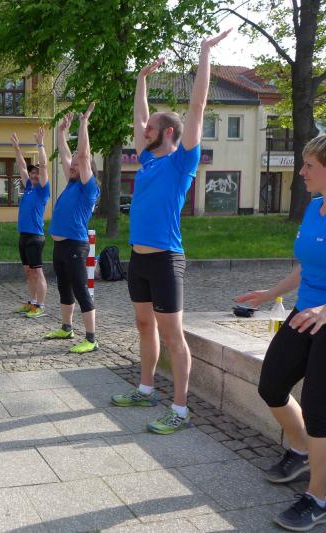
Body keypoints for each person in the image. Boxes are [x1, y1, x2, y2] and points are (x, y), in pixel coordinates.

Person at [110, 29, 231, 435]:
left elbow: (197, 105)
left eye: (151, 128)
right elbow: (139, 116)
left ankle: (180, 409)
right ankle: (146, 389)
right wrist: (140, 80)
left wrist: (204, 53)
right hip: (139, 259)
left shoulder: (182, 163)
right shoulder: (147, 160)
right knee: (144, 326)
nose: (143, 131)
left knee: (173, 335)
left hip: (166, 259)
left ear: (168, 133)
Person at [235, 135, 326, 531]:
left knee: (320, 410)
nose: (301, 172)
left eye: (309, 165)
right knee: (271, 384)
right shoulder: (314, 208)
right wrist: (271, 293)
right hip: (305, 313)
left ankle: (319, 498)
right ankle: (302, 452)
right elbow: (306, 267)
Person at [44, 103, 100, 353]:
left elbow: (83, 156)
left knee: (80, 289)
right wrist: (61, 133)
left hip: (75, 244)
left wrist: (83, 124)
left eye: (77, 166)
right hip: (60, 245)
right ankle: (66, 328)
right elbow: (66, 157)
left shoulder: (89, 187)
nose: (73, 167)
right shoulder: (72, 183)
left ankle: (91, 339)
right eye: (73, 165)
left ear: (87, 169)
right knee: (63, 287)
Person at [11, 127, 51, 318]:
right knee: (28, 271)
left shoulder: (43, 190)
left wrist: (40, 144)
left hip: (35, 237)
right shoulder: (28, 187)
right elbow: (21, 166)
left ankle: (40, 306)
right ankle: (32, 302)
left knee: (37, 272)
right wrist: (17, 149)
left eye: (37, 173)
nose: (34, 175)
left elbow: (44, 165)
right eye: (33, 172)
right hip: (24, 236)